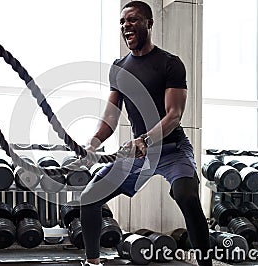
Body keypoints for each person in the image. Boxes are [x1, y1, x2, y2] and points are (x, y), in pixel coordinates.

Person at [80, 1, 212, 266]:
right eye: (122, 22)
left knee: (187, 195)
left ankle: (205, 264)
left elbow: (173, 115)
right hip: (138, 156)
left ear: (149, 24)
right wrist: (93, 143)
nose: (126, 26)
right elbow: (109, 118)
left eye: (133, 20)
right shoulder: (119, 68)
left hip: (172, 149)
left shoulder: (170, 64)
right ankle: (93, 263)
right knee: (88, 198)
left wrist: (145, 139)